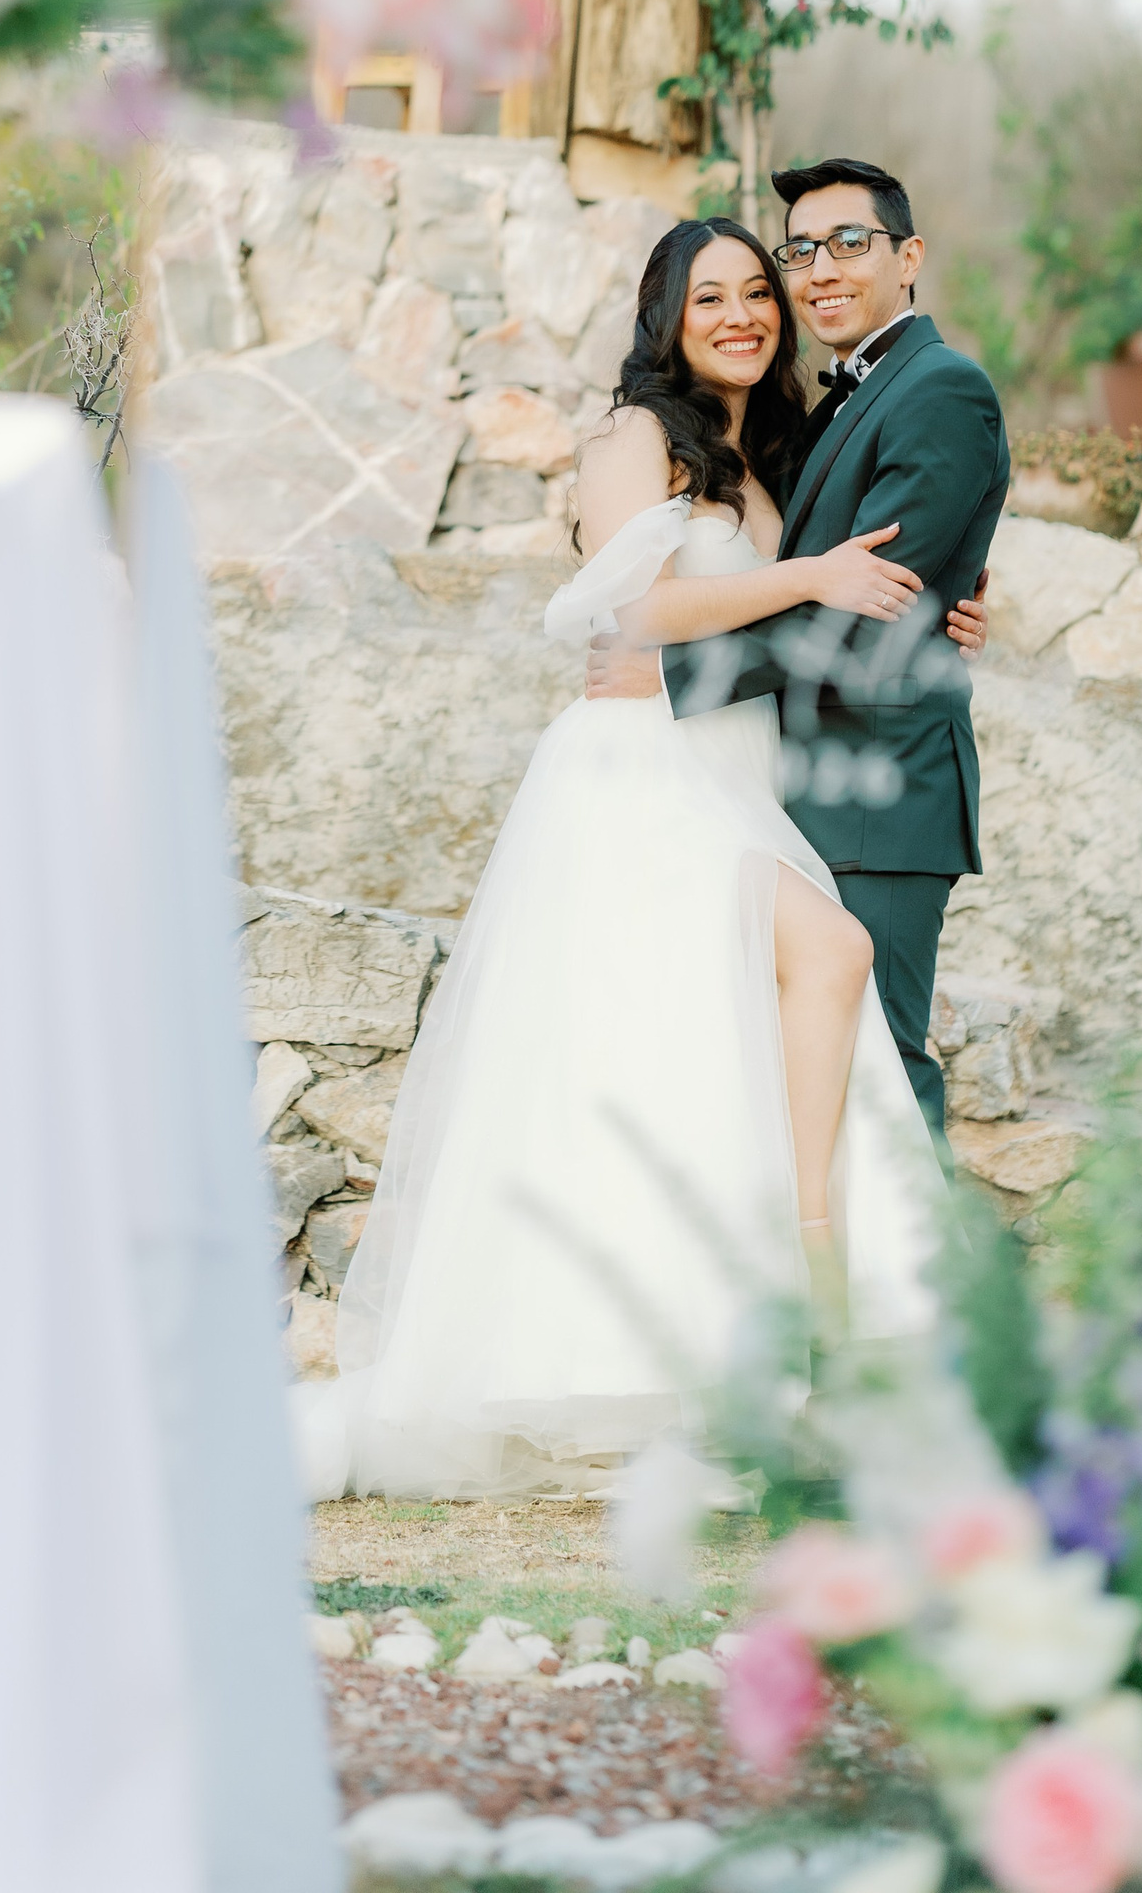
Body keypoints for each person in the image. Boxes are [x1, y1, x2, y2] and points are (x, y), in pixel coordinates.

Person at [298, 214, 991, 1501]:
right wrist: (810, 579)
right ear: (664, 316)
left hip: (731, 770)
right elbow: (637, 611)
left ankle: (750, 1332)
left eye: (757, 292)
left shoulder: (770, 448)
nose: (742, 314)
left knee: (702, 1051)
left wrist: (941, 606)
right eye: (709, 296)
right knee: (814, 959)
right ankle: (799, 1274)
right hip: (638, 767)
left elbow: (848, 586)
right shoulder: (635, 435)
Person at [589, 159, 1008, 1149]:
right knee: (799, 1069)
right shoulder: (822, 412)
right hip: (784, 782)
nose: (822, 269)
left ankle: (927, 1260)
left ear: (909, 257)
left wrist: (675, 674)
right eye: (803, 250)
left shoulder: (940, 388)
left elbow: (874, 608)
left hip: (878, 788)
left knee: (881, 1068)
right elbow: (839, 574)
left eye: (851, 243)